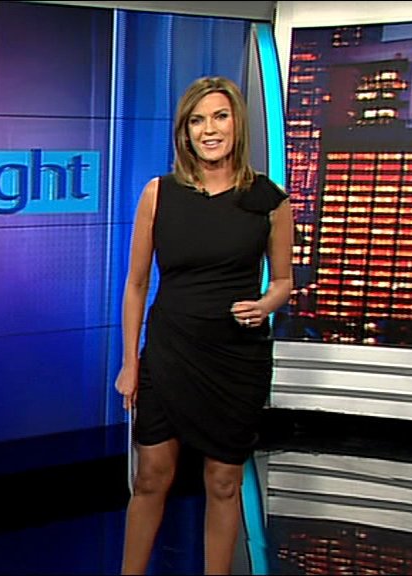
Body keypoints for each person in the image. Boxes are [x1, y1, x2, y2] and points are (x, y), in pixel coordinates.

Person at [115, 76, 294, 575]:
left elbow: (284, 281)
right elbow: (136, 285)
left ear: (237, 123)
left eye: (219, 116)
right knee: (151, 477)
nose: (209, 130)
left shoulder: (270, 200)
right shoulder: (159, 194)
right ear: (185, 131)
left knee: (223, 482)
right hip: (169, 353)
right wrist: (129, 364)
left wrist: (265, 304)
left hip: (235, 357)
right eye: (197, 120)